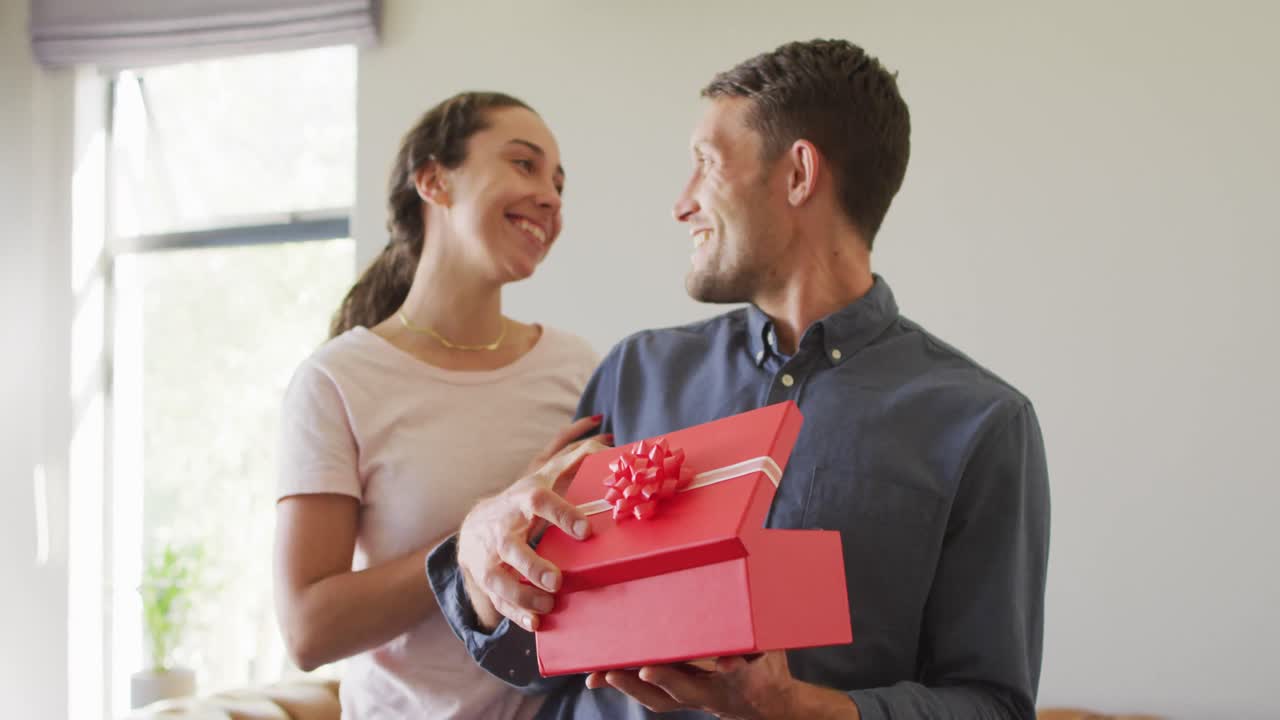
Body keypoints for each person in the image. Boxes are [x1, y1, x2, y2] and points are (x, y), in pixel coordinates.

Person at [424, 39, 1051, 720]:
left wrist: (796, 709)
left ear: (798, 174)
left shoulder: (980, 423)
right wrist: (481, 555)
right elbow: (530, 661)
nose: (681, 203)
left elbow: (994, 705)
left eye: (705, 163)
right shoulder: (637, 373)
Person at [273, 91, 608, 719]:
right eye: (524, 164)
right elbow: (307, 629)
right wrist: (477, 539)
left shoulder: (575, 366)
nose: (550, 197)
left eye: (559, 184)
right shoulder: (337, 380)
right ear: (433, 181)